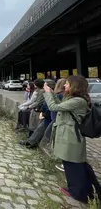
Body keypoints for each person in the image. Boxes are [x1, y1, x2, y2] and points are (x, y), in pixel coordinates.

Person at [44, 75, 101, 203]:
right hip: (68, 135)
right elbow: (60, 105)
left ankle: (78, 193)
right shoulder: (74, 99)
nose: (65, 85)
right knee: (78, 165)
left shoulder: (78, 101)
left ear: (75, 86)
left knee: (73, 165)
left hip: (71, 136)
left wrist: (47, 93)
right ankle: (92, 191)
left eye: (67, 84)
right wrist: (52, 94)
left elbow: (54, 107)